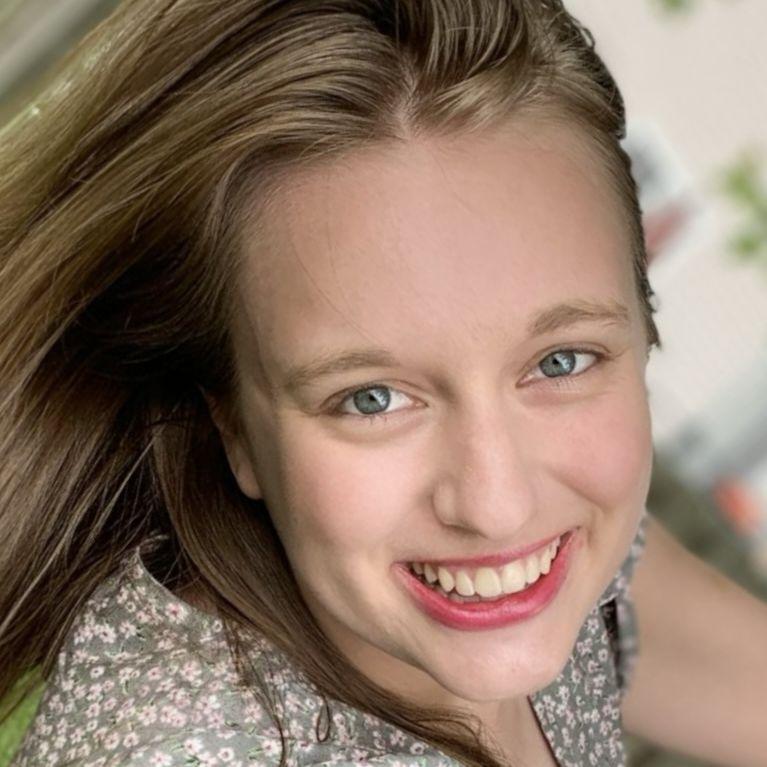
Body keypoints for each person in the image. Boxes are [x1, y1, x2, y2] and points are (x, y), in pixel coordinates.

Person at [1, 1, 766, 766]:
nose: (496, 506)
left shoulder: (557, 550)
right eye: (372, 399)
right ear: (232, 426)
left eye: (559, 361)